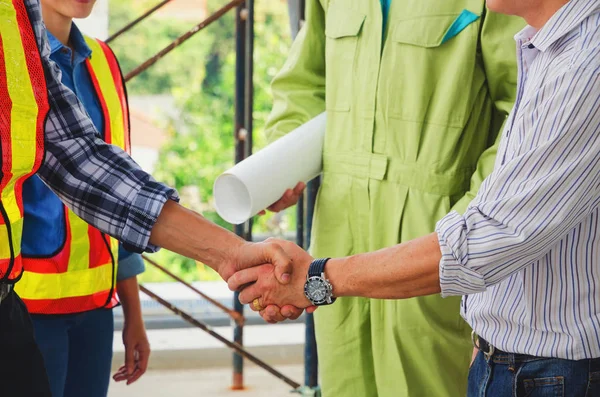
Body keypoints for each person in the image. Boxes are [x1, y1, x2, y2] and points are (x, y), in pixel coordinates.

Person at [230, 0, 600, 395]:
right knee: (344, 383)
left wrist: (469, 219)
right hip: (342, 223)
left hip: (435, 233)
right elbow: (304, 82)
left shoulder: (545, 34)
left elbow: (522, 109)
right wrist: (282, 162)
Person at [0, 2, 298, 396]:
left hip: (30, 307)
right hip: (36, 301)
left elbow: (81, 160)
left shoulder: (17, 23)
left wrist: (230, 252)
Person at [13, 0, 148, 395]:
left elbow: (122, 191)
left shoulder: (103, 62)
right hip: (24, 309)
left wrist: (134, 315)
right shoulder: (12, 64)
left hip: (94, 310)